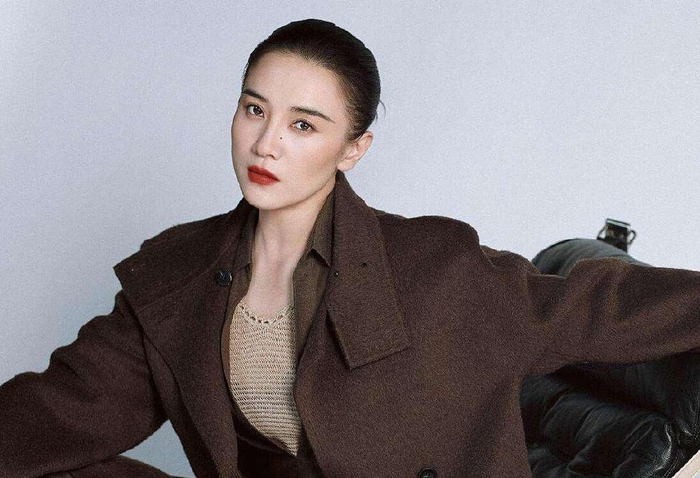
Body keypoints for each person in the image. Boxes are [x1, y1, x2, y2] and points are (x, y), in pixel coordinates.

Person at [2, 18, 700, 478]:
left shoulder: (434, 269)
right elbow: (59, 413)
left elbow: (598, 305)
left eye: (303, 125)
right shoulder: (176, 277)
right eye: (254, 109)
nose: (266, 143)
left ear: (353, 149)